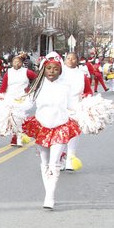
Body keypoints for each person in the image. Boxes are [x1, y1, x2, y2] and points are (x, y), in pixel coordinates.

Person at [21, 54, 81, 210]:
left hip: (60, 126)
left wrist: (87, 114)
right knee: (45, 163)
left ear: (60, 70)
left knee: (54, 163)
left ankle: (50, 196)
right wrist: (8, 113)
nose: (52, 71)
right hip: (42, 127)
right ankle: (48, 192)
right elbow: (26, 104)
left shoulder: (66, 86)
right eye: (49, 68)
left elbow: (74, 105)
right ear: (44, 69)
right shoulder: (37, 86)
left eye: (55, 69)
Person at [60, 52, 92, 171]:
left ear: (77, 61)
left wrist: (85, 97)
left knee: (73, 133)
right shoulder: (59, 72)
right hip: (60, 107)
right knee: (61, 134)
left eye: (73, 59)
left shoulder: (81, 75)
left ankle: (70, 159)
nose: (70, 60)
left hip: (76, 108)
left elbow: (88, 91)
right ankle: (60, 158)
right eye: (68, 58)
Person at [0, 55, 37, 146]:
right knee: (12, 119)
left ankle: (19, 137)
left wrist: (30, 88)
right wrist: (0, 96)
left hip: (22, 98)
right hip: (10, 97)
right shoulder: (9, 72)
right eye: (15, 62)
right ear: (12, 63)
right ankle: (15, 136)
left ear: (22, 63)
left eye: (18, 62)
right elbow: (4, 85)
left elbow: (36, 78)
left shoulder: (26, 72)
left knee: (18, 118)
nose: (16, 63)